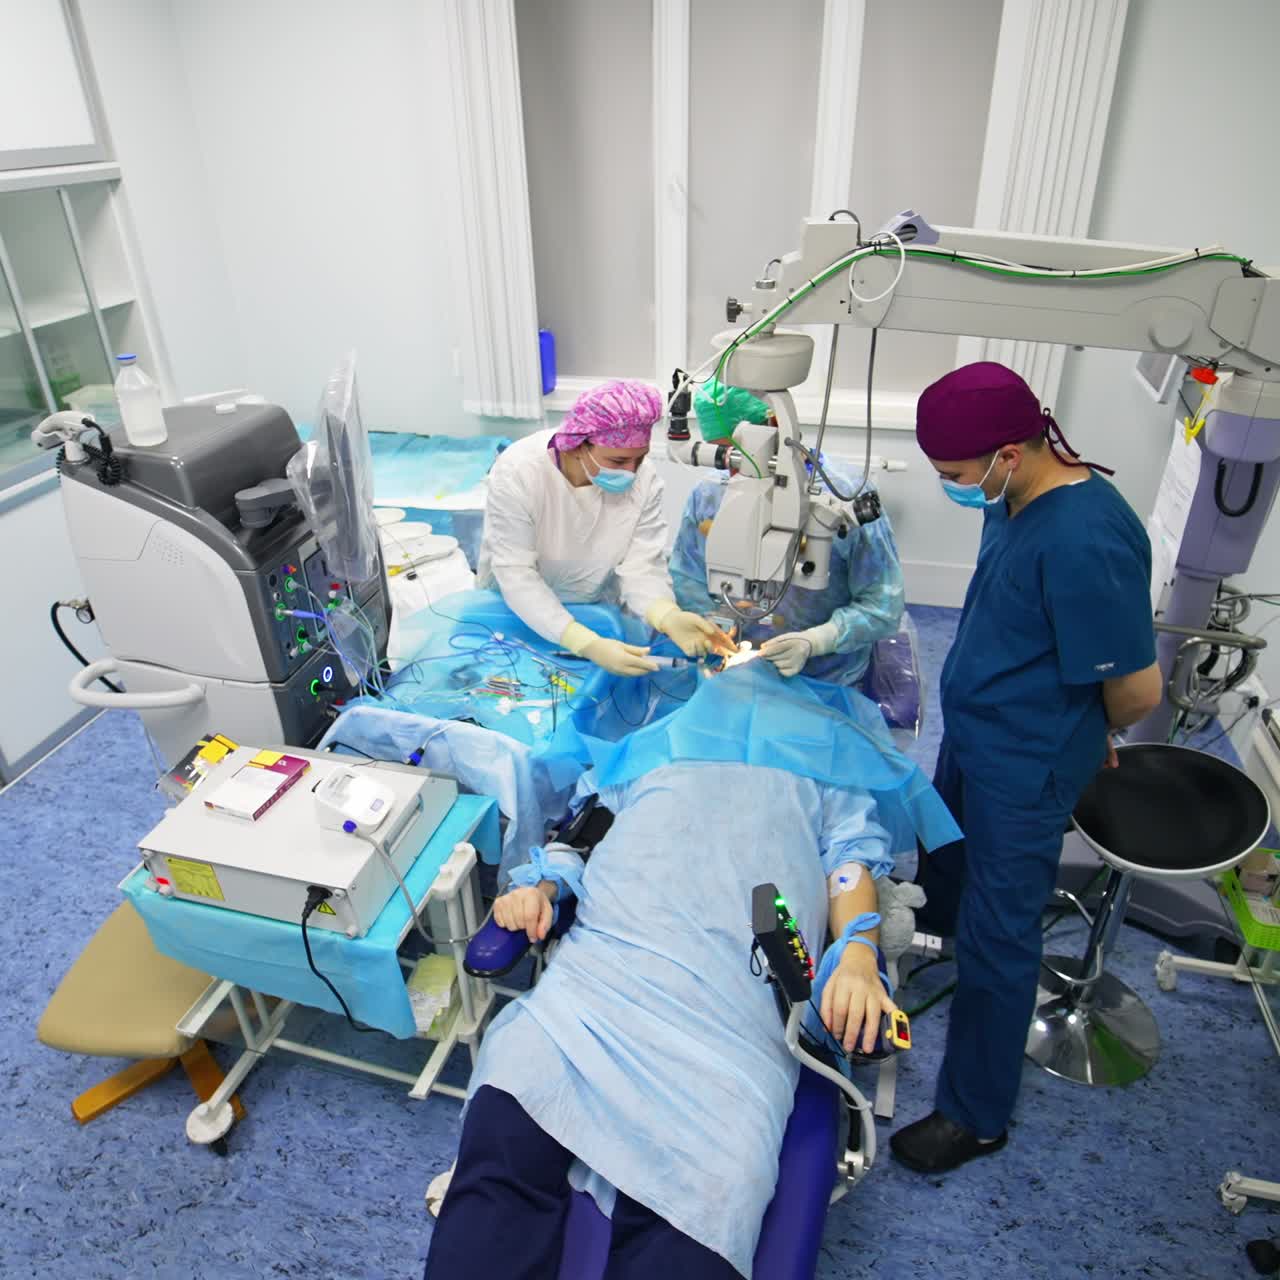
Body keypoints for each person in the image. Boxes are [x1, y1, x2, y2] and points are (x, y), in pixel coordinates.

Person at [424, 661, 960, 1278]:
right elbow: (582, 839)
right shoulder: (655, 745)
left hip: (731, 1023)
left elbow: (850, 867)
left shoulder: (826, 761)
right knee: (503, 1146)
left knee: (702, 1208)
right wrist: (539, 889)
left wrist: (860, 955)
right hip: (599, 987)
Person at [889, 361, 1162, 1175]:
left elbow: (1138, 689)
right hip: (979, 730)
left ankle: (975, 1116)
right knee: (945, 851)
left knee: (1000, 935)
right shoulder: (1009, 495)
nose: (950, 488)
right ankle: (936, 930)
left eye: (954, 474)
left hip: (1026, 760)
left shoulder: (1087, 538)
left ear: (1009, 452)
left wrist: (1086, 729)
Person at [477, 379, 728, 676]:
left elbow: (641, 566)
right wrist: (585, 643)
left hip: (593, 605)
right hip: (517, 611)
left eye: (640, 459)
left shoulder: (644, 480)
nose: (631, 472)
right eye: (618, 461)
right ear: (577, 445)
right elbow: (517, 573)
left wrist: (666, 614)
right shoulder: (519, 473)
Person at [670, 379, 905, 683]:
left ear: (777, 425)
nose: (735, 470)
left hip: (825, 673)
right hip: (735, 664)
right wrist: (710, 624)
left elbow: (882, 605)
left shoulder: (843, 494)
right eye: (724, 457)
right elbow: (687, 578)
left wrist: (817, 641)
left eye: (741, 455)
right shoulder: (708, 494)